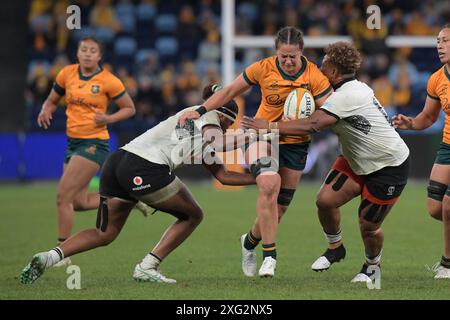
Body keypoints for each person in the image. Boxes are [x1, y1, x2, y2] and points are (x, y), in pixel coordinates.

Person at [20, 85, 256, 285]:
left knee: (104, 233)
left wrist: (259, 177)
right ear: (225, 117)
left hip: (118, 162)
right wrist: (259, 134)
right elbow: (218, 140)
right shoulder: (210, 115)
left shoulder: (198, 126)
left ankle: (50, 256)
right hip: (145, 167)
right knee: (192, 215)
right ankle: (148, 266)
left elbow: (224, 176)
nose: (227, 128)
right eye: (229, 124)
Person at [242, 41, 410, 283]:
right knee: (325, 201)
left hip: (388, 165)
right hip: (355, 159)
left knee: (368, 226)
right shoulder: (349, 89)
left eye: (323, 64)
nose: (318, 68)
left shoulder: (347, 96)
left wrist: (269, 126)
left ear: (333, 71)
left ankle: (371, 267)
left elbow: (313, 124)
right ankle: (335, 248)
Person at [179, 26, 333, 278]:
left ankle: (248, 242)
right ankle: (269, 256)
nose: (288, 61)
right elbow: (228, 91)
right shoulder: (263, 68)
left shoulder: (314, 75)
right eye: (283, 56)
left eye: (293, 56)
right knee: (269, 182)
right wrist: (199, 111)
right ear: (276, 53)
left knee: (279, 210)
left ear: (301, 52)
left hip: (296, 143)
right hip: (261, 135)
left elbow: (327, 114)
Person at [37, 36, 136, 266]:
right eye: (84, 49)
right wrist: (45, 109)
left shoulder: (109, 81)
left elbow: (129, 109)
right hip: (72, 142)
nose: (88, 53)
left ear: (100, 56)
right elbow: (52, 100)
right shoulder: (67, 74)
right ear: (78, 53)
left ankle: (63, 251)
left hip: (94, 143)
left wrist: (109, 117)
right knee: (78, 201)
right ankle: (125, 200)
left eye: (93, 50)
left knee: (63, 196)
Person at [392, 24, 450, 279]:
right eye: (438, 40)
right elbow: (428, 117)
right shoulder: (437, 78)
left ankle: (447, 265)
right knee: (435, 208)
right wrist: (411, 124)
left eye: (446, 40)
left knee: (449, 207)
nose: (440, 45)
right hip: (448, 146)